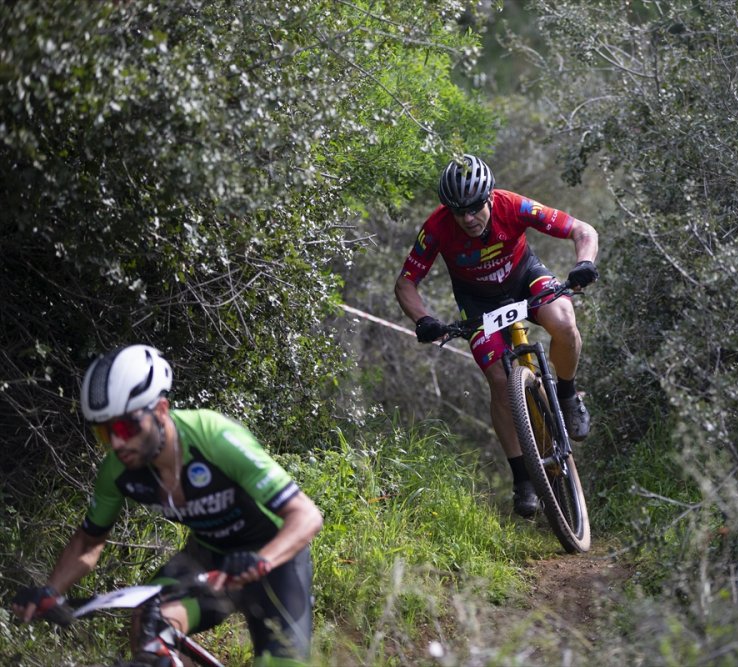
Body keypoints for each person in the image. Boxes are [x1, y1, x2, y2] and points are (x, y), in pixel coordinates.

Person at [12, 344, 324, 666]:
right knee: (149, 623)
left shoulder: (213, 437)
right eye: (104, 433)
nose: (117, 443)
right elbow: (88, 542)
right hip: (209, 555)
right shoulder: (118, 470)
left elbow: (306, 515)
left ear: (161, 410)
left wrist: (261, 560)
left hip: (274, 556)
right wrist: (50, 591)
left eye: (125, 427)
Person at [394, 154, 600, 518]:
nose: (469, 218)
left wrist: (584, 263)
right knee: (500, 380)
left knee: (564, 321)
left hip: (524, 279)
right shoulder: (438, 228)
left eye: (475, 208)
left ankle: (567, 396)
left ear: (489, 197)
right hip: (478, 303)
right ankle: (522, 477)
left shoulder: (513, 206)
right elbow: (406, 282)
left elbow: (583, 230)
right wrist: (423, 319)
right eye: (460, 212)